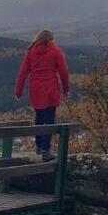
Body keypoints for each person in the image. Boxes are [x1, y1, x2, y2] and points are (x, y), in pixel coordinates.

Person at [15, 30, 70, 161]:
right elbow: (63, 72)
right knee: (49, 119)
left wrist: (18, 92)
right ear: (51, 39)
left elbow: (22, 73)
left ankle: (39, 146)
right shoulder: (55, 51)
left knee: (39, 117)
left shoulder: (31, 52)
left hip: (36, 89)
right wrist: (66, 89)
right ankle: (46, 150)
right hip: (51, 88)